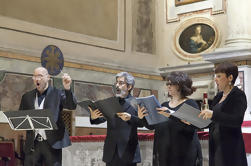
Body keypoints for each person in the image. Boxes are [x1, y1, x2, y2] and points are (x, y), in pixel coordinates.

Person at [138, 71, 202, 166]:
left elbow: (192, 128)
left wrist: (171, 115)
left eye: (171, 84)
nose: (168, 86)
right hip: (165, 152)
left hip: (184, 152)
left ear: (180, 85)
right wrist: (142, 117)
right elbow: (153, 126)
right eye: (167, 84)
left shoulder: (190, 104)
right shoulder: (164, 105)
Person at [19, 67, 77, 166]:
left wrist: (67, 88)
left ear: (48, 77)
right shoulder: (26, 97)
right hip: (33, 144)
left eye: (40, 76)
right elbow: (21, 116)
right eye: (35, 76)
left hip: (52, 143)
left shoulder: (58, 93)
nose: (37, 79)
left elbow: (72, 106)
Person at [199, 62, 247, 166]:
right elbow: (211, 121)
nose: (215, 79)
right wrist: (193, 120)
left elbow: (237, 120)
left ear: (230, 78)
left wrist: (213, 114)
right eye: (216, 76)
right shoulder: (219, 96)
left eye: (219, 76)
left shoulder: (238, 95)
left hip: (230, 146)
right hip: (216, 145)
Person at [89, 72, 142, 166]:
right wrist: (94, 117)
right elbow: (99, 119)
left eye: (121, 83)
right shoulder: (110, 102)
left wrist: (130, 118)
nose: (117, 85)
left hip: (128, 152)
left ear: (129, 87)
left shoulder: (136, 103)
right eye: (116, 83)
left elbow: (143, 123)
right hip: (111, 152)